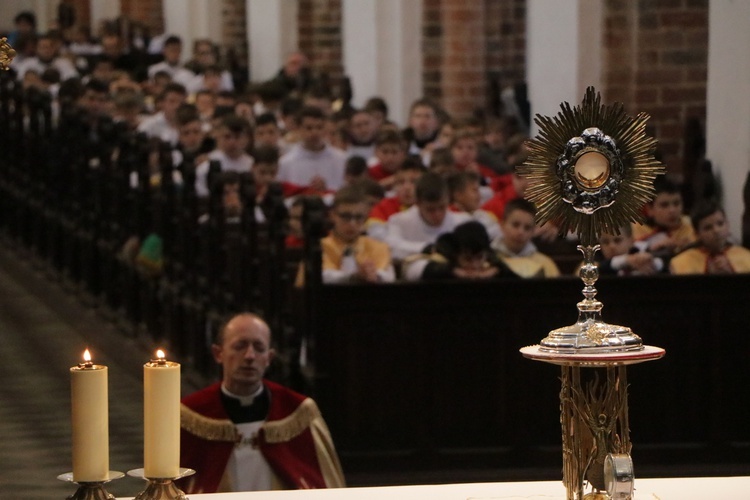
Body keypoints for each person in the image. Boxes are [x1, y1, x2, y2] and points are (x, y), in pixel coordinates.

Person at [180, 313, 345, 493]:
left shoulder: (299, 412)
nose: (250, 356)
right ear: (218, 353)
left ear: (269, 358)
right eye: (239, 346)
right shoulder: (190, 414)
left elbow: (325, 486)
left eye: (259, 348)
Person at [385, 173, 472, 261]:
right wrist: (425, 248)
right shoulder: (399, 221)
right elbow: (391, 247)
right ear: (417, 203)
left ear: (448, 200)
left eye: (442, 207)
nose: (437, 214)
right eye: (430, 209)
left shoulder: (463, 222)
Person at [319, 187, 395, 284]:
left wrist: (373, 275)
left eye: (359, 217)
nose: (352, 224)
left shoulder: (379, 247)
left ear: (366, 218)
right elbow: (323, 276)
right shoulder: (321, 247)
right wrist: (354, 276)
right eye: (345, 216)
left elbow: (388, 277)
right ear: (332, 216)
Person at [403, 220, 518, 281]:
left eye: (479, 258)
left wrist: (496, 270)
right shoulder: (444, 256)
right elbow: (411, 270)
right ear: (456, 255)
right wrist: (452, 271)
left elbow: (521, 273)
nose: (474, 265)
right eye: (467, 259)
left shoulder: (492, 261)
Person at [277, 106, 347, 193]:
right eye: (309, 128)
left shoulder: (341, 159)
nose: (314, 133)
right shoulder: (286, 163)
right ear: (298, 129)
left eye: (319, 127)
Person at [670, 200, 750, 274]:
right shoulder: (680, 263)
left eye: (720, 224)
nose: (716, 230)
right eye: (708, 228)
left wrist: (731, 273)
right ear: (697, 234)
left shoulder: (746, 256)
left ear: (728, 225)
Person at [491, 198, 560, 278]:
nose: (521, 232)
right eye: (515, 225)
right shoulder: (487, 260)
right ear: (502, 225)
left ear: (533, 231)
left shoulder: (545, 264)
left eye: (527, 228)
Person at [632, 177, 696, 261]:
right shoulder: (635, 228)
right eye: (664, 205)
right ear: (650, 209)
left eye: (676, 203)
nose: (672, 210)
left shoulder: (692, 225)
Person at [366, 158, 424, 242]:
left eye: (414, 182)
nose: (406, 187)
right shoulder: (382, 207)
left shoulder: (435, 207)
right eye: (401, 182)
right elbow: (377, 236)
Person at [195, 114, 253, 197]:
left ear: (247, 139)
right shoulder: (207, 166)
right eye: (227, 137)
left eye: (237, 137)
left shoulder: (252, 165)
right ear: (218, 137)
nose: (232, 142)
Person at [446, 171, 502, 241]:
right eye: (474, 190)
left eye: (478, 190)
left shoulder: (484, 215)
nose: (479, 195)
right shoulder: (449, 218)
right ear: (458, 195)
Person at [593, 225, 664, 276]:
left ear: (631, 240)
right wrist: (626, 260)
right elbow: (594, 269)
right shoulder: (595, 257)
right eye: (605, 242)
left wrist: (651, 263)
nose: (612, 246)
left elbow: (663, 262)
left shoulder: (643, 250)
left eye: (617, 240)